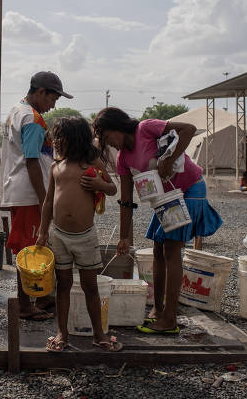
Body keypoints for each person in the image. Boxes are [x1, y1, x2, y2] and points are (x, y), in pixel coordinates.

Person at [92, 107, 222, 334]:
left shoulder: (146, 128)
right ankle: (159, 310)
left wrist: (169, 159)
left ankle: (170, 319)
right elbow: (125, 200)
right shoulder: (123, 158)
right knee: (158, 250)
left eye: (107, 137)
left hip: (189, 188)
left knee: (171, 250)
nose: (109, 145)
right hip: (166, 199)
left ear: (117, 127)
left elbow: (189, 129)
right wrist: (123, 236)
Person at [35, 117, 121, 352]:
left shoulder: (91, 163)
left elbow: (112, 188)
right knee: (62, 285)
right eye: (56, 137)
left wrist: (98, 184)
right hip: (59, 235)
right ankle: (62, 333)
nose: (56, 141)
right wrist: (43, 232)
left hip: (85, 236)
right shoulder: (56, 167)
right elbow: (48, 202)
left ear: (76, 140)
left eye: (61, 137)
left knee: (90, 286)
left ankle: (98, 334)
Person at [1, 71, 72, 321]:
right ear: (40, 92)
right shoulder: (31, 119)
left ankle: (41, 297)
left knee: (35, 244)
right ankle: (24, 305)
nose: (53, 105)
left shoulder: (17, 111)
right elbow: (31, 161)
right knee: (29, 248)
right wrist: (45, 200)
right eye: (52, 99)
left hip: (21, 190)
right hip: (29, 193)